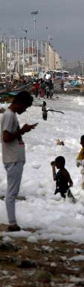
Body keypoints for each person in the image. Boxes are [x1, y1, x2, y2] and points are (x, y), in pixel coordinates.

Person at [1, 91, 36, 232]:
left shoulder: (10, 115)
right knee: (12, 193)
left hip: (15, 158)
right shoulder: (9, 115)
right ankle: (12, 223)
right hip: (13, 159)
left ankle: (12, 222)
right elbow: (6, 137)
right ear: (20, 103)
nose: (24, 110)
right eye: (25, 107)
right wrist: (22, 131)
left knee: (12, 192)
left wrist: (23, 131)